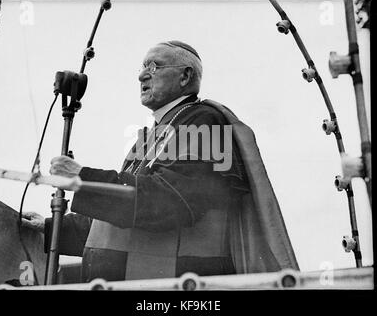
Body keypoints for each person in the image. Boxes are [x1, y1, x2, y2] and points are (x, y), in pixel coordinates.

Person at [22, 40, 298, 283]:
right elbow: (120, 219)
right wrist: (51, 227)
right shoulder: (151, 136)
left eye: (154, 66)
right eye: (142, 67)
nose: (142, 74)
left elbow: (173, 202)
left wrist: (84, 178)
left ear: (185, 76)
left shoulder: (206, 121)